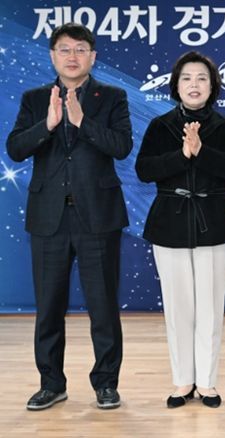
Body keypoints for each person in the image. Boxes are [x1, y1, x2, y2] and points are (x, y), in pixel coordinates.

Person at [6, 23, 132, 410]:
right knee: (48, 307)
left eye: (80, 49)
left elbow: (122, 147)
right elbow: (15, 148)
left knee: (103, 308)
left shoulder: (112, 97)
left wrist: (82, 122)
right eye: (64, 49)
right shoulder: (34, 99)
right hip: (49, 219)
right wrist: (47, 124)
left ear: (92, 56)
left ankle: (106, 384)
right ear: (52, 56)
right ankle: (51, 383)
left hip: (98, 218)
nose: (72, 56)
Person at [135, 51, 225, 409]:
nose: (194, 85)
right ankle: (183, 380)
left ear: (212, 86)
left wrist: (201, 151)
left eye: (201, 78)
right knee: (177, 307)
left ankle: (207, 383)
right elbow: (144, 170)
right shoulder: (160, 125)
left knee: (210, 308)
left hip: (215, 221)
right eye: (186, 78)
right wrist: (182, 154)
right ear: (176, 85)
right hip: (170, 222)